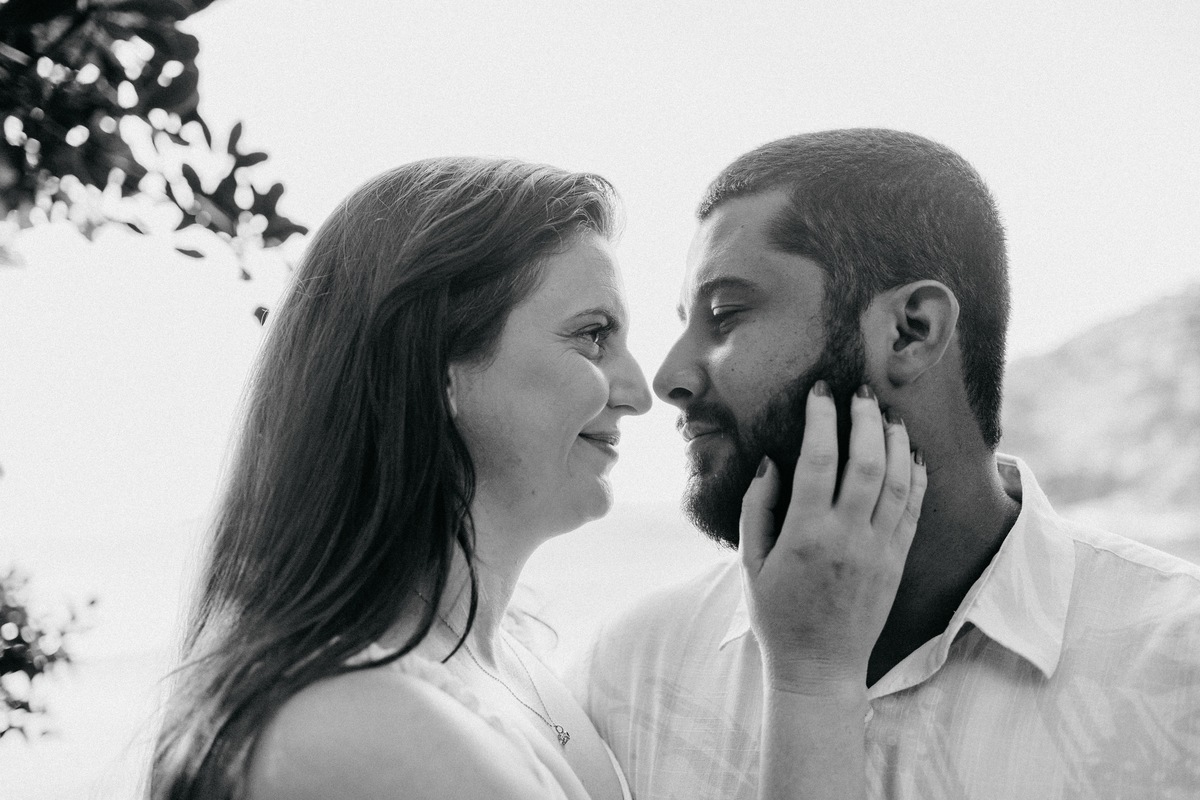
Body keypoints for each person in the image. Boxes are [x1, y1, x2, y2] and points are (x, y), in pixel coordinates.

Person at [150, 156, 926, 800]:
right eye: (591, 337)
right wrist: (815, 679)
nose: (639, 387)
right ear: (433, 372)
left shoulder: (512, 668)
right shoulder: (355, 727)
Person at [570, 129, 1200, 799]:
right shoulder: (634, 672)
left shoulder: (1180, 661)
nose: (668, 377)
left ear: (912, 331)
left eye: (726, 313)